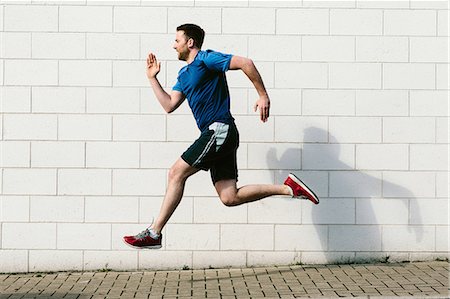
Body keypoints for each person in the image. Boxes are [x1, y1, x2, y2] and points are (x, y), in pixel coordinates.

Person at [123, 24, 319, 249]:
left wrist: (263, 95)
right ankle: (289, 189)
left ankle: (155, 233)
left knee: (176, 172)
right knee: (229, 197)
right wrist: (152, 78)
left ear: (190, 42)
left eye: (177, 40)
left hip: (219, 129)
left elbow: (246, 63)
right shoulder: (184, 74)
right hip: (219, 134)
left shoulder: (206, 59)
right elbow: (169, 105)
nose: (173, 45)